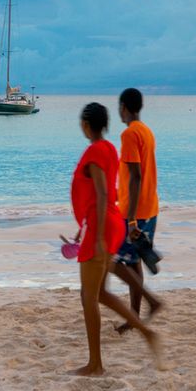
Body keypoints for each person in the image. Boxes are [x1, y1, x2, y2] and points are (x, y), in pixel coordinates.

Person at [68, 102, 162, 376]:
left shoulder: (96, 150)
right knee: (100, 294)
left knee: (89, 296)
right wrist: (84, 227)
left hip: (102, 227)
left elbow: (102, 193)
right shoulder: (109, 148)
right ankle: (146, 333)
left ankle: (95, 364)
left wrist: (96, 237)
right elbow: (105, 193)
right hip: (105, 223)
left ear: (86, 124)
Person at [111, 88, 163, 333]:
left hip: (136, 211)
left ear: (124, 107)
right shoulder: (147, 131)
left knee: (114, 261)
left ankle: (149, 303)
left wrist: (130, 219)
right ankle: (134, 317)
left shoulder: (130, 133)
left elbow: (135, 176)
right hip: (150, 207)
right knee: (133, 264)